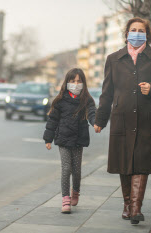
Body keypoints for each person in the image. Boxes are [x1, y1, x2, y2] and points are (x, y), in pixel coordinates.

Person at [94, 17, 151, 224]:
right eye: (133, 30)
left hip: (148, 119)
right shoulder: (113, 59)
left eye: (141, 30)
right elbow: (107, 92)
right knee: (124, 163)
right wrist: (100, 119)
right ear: (126, 33)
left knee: (141, 163)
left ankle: (136, 208)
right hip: (122, 119)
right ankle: (128, 203)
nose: (137, 33)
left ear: (147, 34)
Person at [43, 68, 96, 214]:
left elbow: (92, 113)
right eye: (72, 81)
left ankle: (76, 191)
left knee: (76, 170)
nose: (76, 84)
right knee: (66, 168)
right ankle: (65, 198)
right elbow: (52, 119)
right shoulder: (60, 100)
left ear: (84, 83)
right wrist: (48, 138)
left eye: (79, 81)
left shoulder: (87, 100)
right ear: (67, 82)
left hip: (79, 138)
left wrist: (96, 123)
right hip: (63, 138)